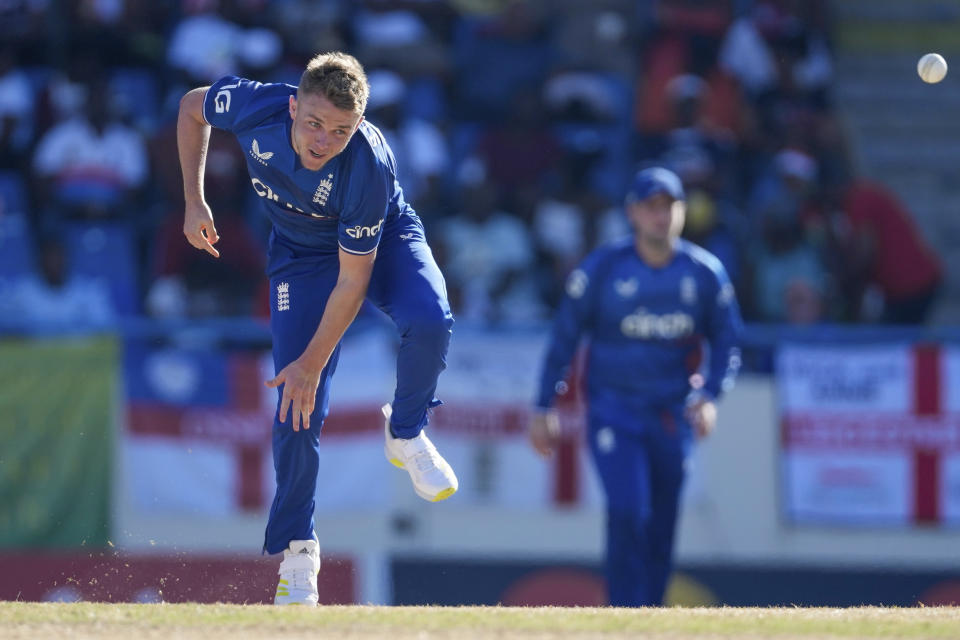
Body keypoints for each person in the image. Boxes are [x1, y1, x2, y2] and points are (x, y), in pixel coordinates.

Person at [176, 51, 458, 607]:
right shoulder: (256, 106)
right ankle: (299, 556)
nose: (323, 140)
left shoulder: (366, 165)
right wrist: (194, 197)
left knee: (430, 320)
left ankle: (404, 432)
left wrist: (312, 363)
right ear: (291, 105)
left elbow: (353, 282)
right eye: (313, 123)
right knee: (296, 405)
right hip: (302, 257)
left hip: (378, 239)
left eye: (341, 130)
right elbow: (191, 108)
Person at [528, 167, 742, 607]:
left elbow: (727, 341)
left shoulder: (704, 273)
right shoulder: (603, 269)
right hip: (614, 411)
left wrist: (710, 396)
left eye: (670, 206)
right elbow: (564, 336)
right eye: (651, 206)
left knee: (662, 523)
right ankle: (624, 613)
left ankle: (652, 616)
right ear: (632, 213)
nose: (661, 216)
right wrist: (543, 405)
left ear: (683, 212)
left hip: (671, 415)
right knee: (628, 509)